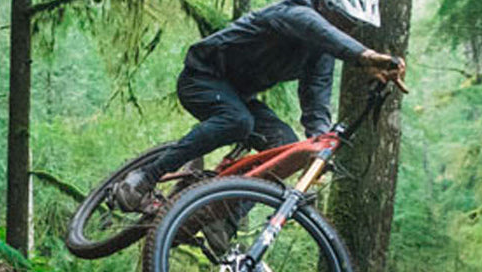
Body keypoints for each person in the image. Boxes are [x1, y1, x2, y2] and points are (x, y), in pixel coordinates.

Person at [112, 0, 406, 212]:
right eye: (340, 19)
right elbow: (314, 28)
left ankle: (223, 218)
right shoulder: (291, 12)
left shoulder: (321, 55)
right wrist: (365, 56)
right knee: (238, 121)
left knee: (288, 148)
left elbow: (316, 103)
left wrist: (321, 147)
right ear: (324, 7)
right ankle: (143, 178)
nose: (343, 28)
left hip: (239, 98)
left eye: (349, 25)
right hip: (202, 78)